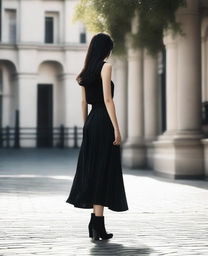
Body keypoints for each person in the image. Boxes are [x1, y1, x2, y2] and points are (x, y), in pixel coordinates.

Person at [66, 32, 129, 241]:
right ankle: (97, 225)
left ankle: (96, 223)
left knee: (94, 170)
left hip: (91, 122)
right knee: (103, 170)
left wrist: (86, 126)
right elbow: (108, 100)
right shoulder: (106, 67)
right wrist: (117, 128)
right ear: (106, 49)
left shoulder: (84, 73)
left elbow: (84, 103)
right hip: (103, 121)